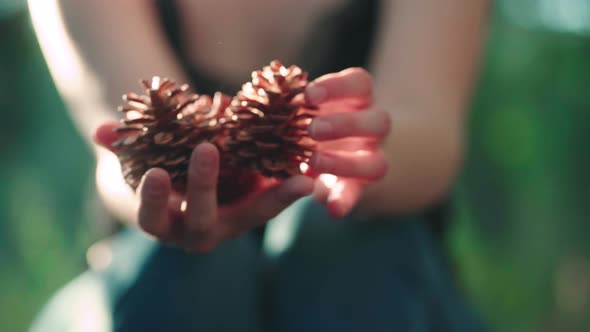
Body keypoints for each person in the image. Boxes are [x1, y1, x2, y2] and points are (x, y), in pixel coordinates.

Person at [28, 0, 490, 331]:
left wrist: (360, 152)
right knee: (188, 269)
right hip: (163, 275)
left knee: (334, 243)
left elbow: (434, 133)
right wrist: (153, 188)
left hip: (372, 266)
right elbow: (118, 139)